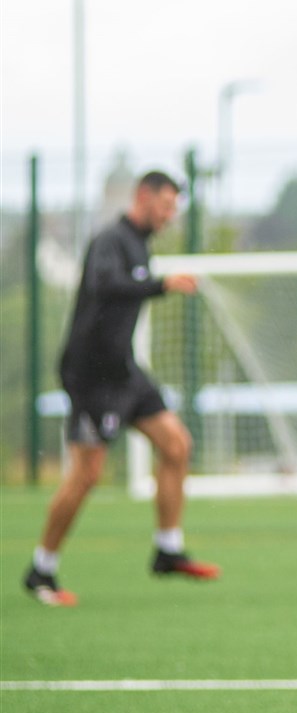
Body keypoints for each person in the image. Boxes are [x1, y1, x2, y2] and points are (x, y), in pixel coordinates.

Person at [24, 170, 221, 607]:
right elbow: (104, 285)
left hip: (124, 370)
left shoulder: (140, 244)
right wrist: (162, 284)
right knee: (87, 474)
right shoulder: (110, 240)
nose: (170, 216)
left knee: (176, 444)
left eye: (174, 208)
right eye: (165, 206)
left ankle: (168, 549)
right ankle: (42, 567)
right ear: (143, 197)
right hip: (91, 375)